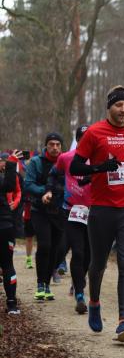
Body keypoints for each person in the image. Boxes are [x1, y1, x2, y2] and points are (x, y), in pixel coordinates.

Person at [70, 86, 124, 342]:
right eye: (118, 105)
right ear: (109, 107)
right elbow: (75, 165)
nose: (123, 110)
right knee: (98, 264)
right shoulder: (94, 132)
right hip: (102, 209)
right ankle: (94, 302)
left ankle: (123, 322)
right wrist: (100, 167)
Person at [48, 125, 91, 315]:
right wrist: (53, 191)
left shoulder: (99, 159)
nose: (86, 140)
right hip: (72, 211)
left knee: (90, 257)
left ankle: (78, 281)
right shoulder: (66, 158)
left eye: (89, 137)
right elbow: (53, 174)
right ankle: (80, 295)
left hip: (95, 213)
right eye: (82, 137)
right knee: (78, 252)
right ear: (78, 140)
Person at [23, 133, 65, 302]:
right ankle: (40, 284)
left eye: (57, 144)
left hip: (60, 211)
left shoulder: (66, 161)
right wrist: (45, 192)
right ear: (46, 146)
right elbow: (28, 184)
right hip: (39, 210)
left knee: (57, 249)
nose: (55, 147)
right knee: (45, 245)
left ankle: (47, 285)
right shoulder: (36, 162)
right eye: (51, 144)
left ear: (61, 147)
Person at [0, 150, 24, 314]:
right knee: (7, 264)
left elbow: (11, 187)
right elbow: (9, 185)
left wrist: (11, 163)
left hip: (5, 224)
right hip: (5, 224)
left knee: (7, 264)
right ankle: (12, 304)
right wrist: (12, 162)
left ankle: (12, 303)